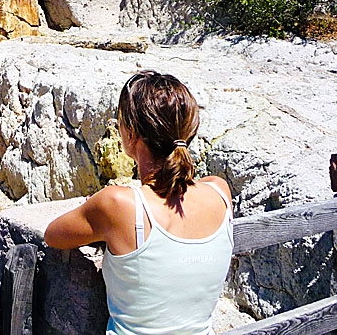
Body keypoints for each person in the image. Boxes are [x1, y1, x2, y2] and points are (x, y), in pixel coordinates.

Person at [44, 71, 233, 335]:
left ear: (131, 135)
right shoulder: (219, 192)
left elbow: (53, 235)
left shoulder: (119, 204)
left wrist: (96, 209)